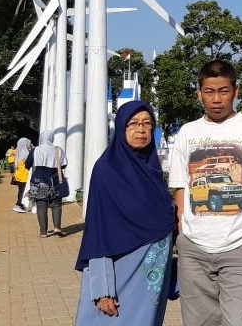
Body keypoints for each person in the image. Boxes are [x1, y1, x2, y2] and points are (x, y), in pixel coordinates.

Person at [168, 60, 242, 326]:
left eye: (223, 90)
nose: (217, 99)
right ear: (199, 93)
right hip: (194, 248)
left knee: (238, 322)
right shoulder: (188, 133)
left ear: (236, 90)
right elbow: (180, 185)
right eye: (209, 92)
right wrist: (183, 232)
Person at [75, 100, 175, 325]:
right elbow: (98, 232)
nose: (141, 129)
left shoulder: (152, 171)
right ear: (121, 128)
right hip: (119, 276)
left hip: (151, 277)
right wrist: (101, 289)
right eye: (133, 124)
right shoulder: (107, 171)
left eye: (147, 123)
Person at [25, 131, 67, 238]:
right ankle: (57, 227)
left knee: (41, 206)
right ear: (52, 138)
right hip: (54, 180)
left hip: (38, 180)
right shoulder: (58, 150)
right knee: (56, 205)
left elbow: (27, 164)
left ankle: (43, 232)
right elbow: (64, 165)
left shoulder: (36, 150)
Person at [12, 137, 32, 213]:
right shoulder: (25, 153)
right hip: (24, 174)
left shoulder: (18, 152)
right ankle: (18, 205)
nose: (29, 144)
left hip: (19, 174)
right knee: (23, 191)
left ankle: (20, 205)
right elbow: (29, 163)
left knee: (20, 191)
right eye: (28, 143)